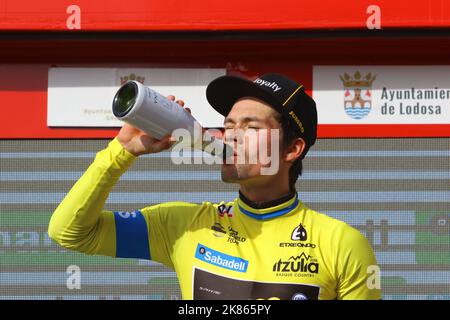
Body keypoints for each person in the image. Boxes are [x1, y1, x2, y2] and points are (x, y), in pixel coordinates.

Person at [48, 73, 381, 300]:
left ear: (292, 149)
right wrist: (121, 152)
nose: (231, 135)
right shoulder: (183, 225)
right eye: (228, 125)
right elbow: (69, 232)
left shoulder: (342, 243)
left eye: (250, 127)